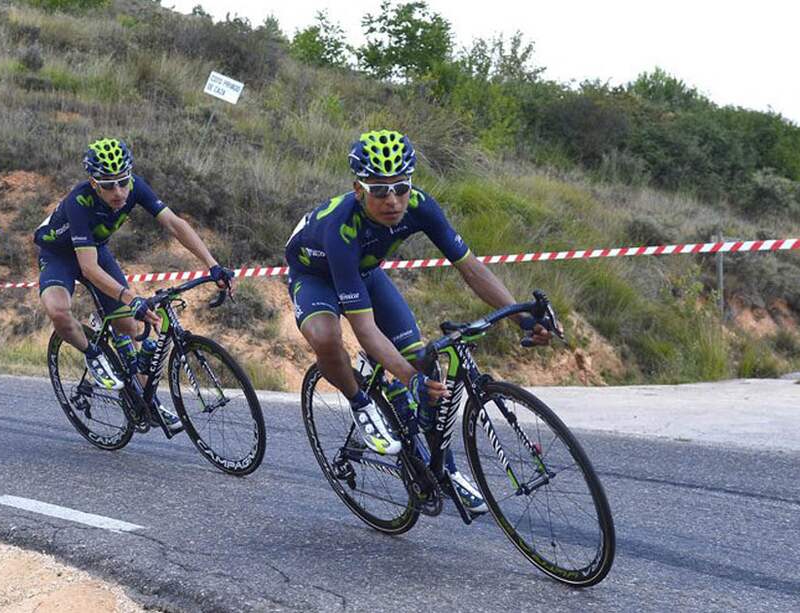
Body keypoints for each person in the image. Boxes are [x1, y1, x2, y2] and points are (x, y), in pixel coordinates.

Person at [285, 130, 550, 512]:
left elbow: (471, 269)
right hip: (315, 276)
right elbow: (364, 329)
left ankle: (447, 471)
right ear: (358, 190)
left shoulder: (421, 206)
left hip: (365, 273)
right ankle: (361, 402)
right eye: (379, 190)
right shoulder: (341, 229)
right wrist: (409, 379)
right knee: (326, 338)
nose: (392, 200)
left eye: (401, 187)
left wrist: (522, 318)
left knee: (425, 363)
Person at [34, 138, 232, 423]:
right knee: (58, 311)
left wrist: (213, 265)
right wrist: (130, 298)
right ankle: (93, 353)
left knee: (128, 326)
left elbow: (174, 224)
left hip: (95, 249)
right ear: (93, 183)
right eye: (108, 185)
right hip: (59, 256)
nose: (118, 192)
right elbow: (88, 269)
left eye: (122, 182)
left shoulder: (135, 186)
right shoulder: (79, 202)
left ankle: (147, 403)